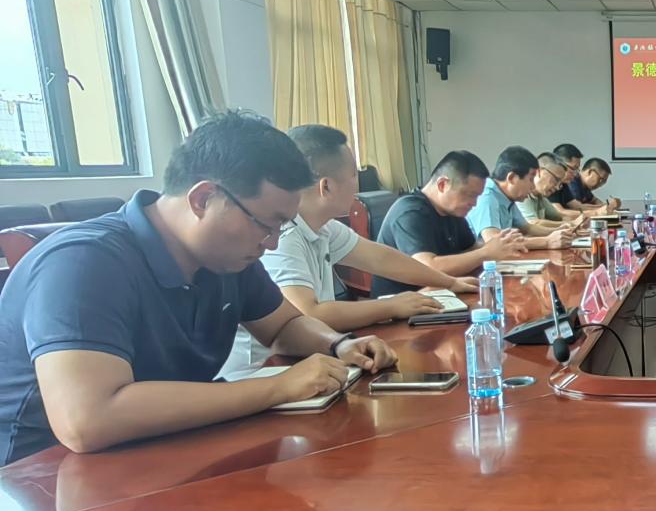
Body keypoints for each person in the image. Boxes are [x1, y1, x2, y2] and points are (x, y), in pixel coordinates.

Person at [0, 111, 397, 464]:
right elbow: (87, 421)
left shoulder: (225, 257)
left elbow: (283, 326)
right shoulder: (84, 263)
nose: (273, 243)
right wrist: (277, 387)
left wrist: (338, 345)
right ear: (204, 198)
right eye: (266, 224)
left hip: (166, 451)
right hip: (43, 480)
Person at [221, 125, 481, 375]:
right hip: (264, 370)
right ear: (326, 186)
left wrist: (449, 282)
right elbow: (307, 313)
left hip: (310, 357)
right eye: (354, 175)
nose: (358, 185)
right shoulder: (282, 235)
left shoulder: (324, 227)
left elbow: (381, 258)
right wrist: (390, 306)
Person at [373, 150, 526, 297]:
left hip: (444, 292)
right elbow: (428, 267)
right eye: (469, 195)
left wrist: (501, 244)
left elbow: (470, 249)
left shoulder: (453, 211)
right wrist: (485, 252)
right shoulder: (410, 212)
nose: (474, 203)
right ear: (442, 184)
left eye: (477, 197)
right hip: (402, 304)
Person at [468, 146, 575, 250]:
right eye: (531, 179)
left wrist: (558, 231)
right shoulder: (487, 196)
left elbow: (527, 228)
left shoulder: (507, 196)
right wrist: (547, 241)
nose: (532, 186)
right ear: (512, 178)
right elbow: (494, 241)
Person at [518, 152, 587, 232]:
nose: (557, 187)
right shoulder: (522, 193)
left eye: (560, 183)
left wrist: (573, 222)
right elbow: (533, 223)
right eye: (556, 180)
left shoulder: (541, 197)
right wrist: (571, 223)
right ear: (538, 172)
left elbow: (559, 217)